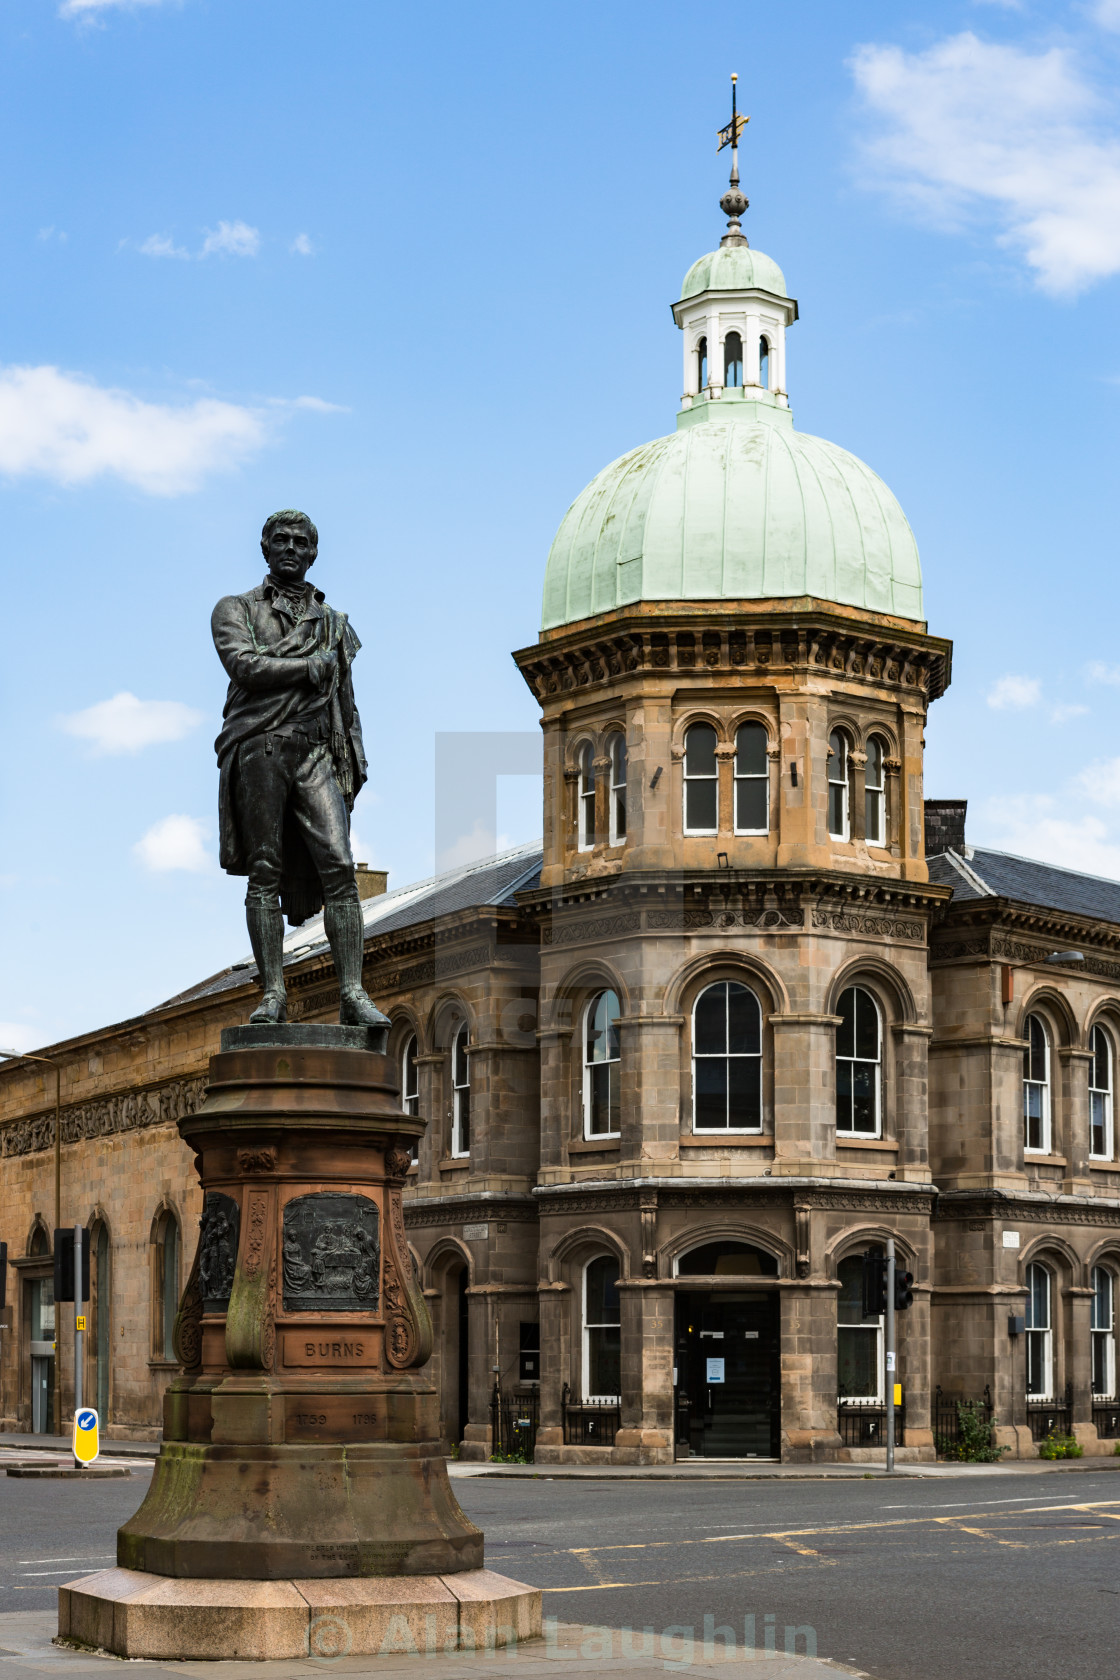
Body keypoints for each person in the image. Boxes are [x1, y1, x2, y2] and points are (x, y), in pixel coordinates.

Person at [211, 509, 388, 1028]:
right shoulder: (235, 608)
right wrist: (308, 667)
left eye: (301, 541)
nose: (291, 548)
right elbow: (244, 665)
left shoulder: (334, 623)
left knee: (339, 866)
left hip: (316, 752)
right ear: (264, 549)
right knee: (265, 870)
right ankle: (272, 994)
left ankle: (353, 992)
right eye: (280, 540)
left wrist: (352, 761)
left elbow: (346, 704)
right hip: (260, 747)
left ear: (313, 552)